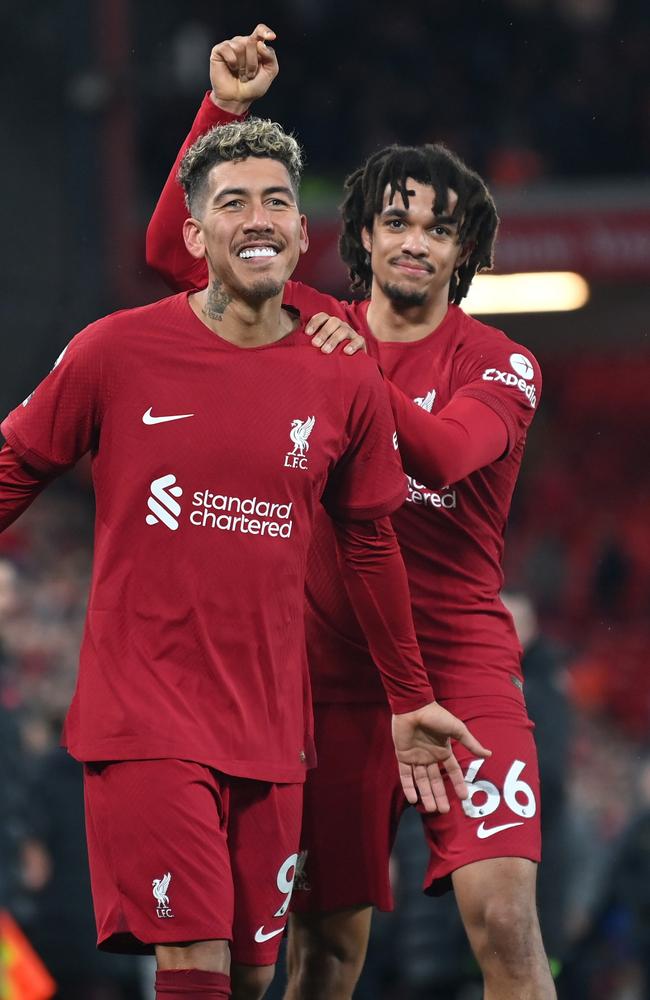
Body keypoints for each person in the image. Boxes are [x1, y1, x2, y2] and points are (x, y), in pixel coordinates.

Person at [0, 118, 489, 1000]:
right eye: (233, 202)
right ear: (196, 235)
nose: (259, 217)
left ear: (305, 237)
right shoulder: (116, 350)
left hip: (273, 729)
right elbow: (13, 465)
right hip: (145, 716)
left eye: (277, 202)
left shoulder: (343, 379)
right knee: (196, 966)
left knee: (258, 975)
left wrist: (412, 695)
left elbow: (371, 542)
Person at [146, 25, 553, 1000]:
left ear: (464, 252)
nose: (416, 239)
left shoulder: (498, 362)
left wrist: (333, 352)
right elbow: (170, 248)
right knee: (318, 952)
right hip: (321, 676)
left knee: (501, 919)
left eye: (439, 227)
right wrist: (224, 114)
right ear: (361, 233)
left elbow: (447, 451)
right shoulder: (304, 329)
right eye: (398, 220)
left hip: (456, 666)